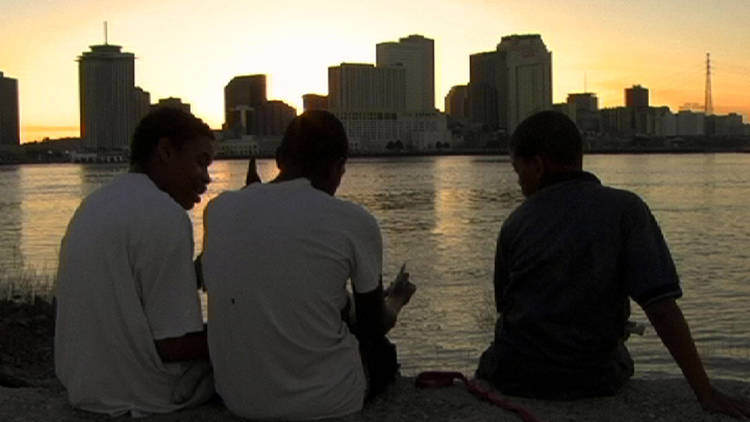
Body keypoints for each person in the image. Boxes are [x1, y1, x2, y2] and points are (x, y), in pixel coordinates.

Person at [476, 111, 750, 418]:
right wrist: (706, 393)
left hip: (515, 375)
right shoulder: (625, 209)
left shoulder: (515, 223)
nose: (519, 182)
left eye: (518, 171)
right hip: (594, 378)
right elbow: (660, 307)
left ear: (538, 166)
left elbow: (508, 306)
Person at [201, 110, 416, 420]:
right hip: (327, 400)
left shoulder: (219, 209)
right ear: (337, 167)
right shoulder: (354, 221)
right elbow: (373, 327)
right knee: (382, 354)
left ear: (278, 158)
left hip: (237, 398)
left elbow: (282, 289)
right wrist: (396, 300)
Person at [55, 108, 215, 417]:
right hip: (142, 392)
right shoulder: (165, 216)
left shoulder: (96, 203)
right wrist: (240, 328)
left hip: (84, 386)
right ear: (166, 151)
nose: (206, 179)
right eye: (201, 162)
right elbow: (171, 344)